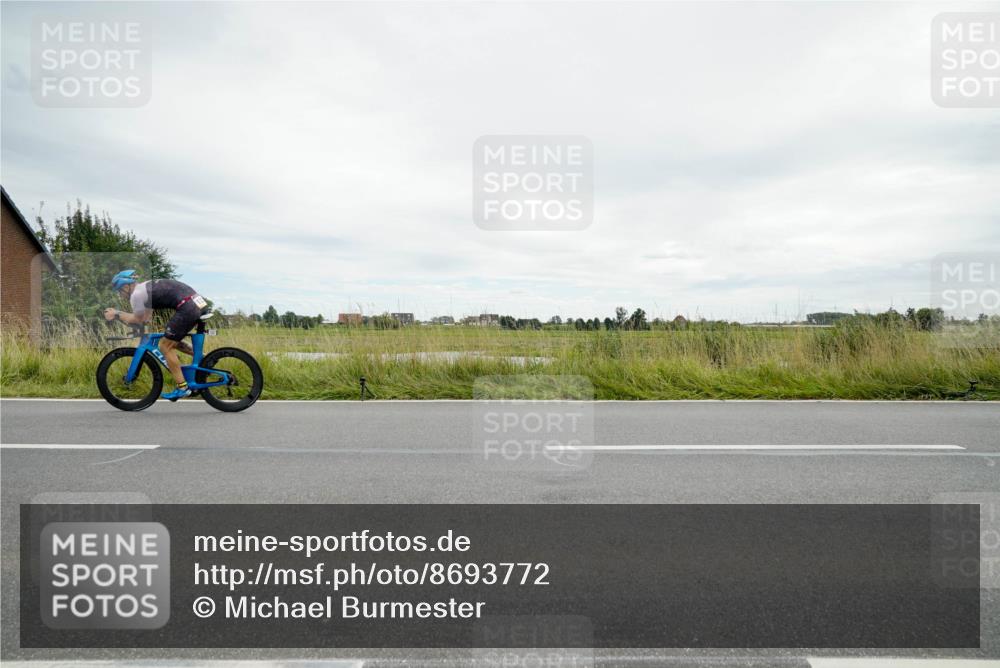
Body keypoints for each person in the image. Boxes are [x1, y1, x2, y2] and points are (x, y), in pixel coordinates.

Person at [104, 270, 209, 400]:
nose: (120, 295)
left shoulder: (136, 295)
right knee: (171, 339)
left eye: (120, 291)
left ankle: (183, 388)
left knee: (165, 346)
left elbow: (138, 319)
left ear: (126, 286)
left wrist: (117, 314)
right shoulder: (145, 289)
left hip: (188, 307)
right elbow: (145, 319)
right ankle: (206, 360)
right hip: (198, 302)